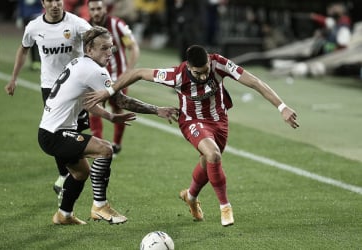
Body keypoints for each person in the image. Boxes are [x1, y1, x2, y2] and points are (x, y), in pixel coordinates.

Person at [85, 44, 299, 226]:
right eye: (198, 73)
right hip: (191, 121)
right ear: (188, 67)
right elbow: (137, 73)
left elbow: (254, 82)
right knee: (213, 155)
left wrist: (282, 107)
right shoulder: (176, 75)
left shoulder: (219, 64)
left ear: (208, 61)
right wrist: (109, 92)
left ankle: (191, 196)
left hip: (220, 121)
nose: (204, 76)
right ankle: (225, 207)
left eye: (206, 70)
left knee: (209, 163)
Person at [38, 26, 178, 225]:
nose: (109, 52)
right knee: (105, 149)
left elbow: (88, 102)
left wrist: (109, 116)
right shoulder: (93, 70)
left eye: (111, 47)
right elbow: (122, 101)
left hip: (51, 132)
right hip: (55, 135)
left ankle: (63, 215)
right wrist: (157, 110)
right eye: (103, 48)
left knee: (80, 173)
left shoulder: (79, 63)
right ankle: (100, 206)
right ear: (89, 49)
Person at [4, 0, 92, 195]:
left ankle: (72, 172)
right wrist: (13, 79)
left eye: (58, 0)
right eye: (50, 0)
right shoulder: (34, 27)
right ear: (43, 3)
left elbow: (95, 42)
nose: (55, 4)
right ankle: (64, 175)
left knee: (76, 131)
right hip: (51, 88)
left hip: (78, 87)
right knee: (59, 133)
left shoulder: (77, 24)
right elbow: (24, 48)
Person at [87, 0, 140, 157]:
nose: (96, 12)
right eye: (93, 9)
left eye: (99, 8)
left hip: (118, 78)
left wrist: (128, 72)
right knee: (94, 109)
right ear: (89, 11)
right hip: (94, 77)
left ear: (105, 9)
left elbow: (133, 47)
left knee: (118, 109)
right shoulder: (85, 27)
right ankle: (99, 146)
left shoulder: (117, 25)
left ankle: (117, 144)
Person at [16, 0, 43, 71]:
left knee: (38, 40)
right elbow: (20, 4)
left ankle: (39, 62)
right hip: (26, 17)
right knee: (29, 41)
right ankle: (34, 62)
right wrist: (19, 16)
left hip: (36, 16)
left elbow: (45, 3)